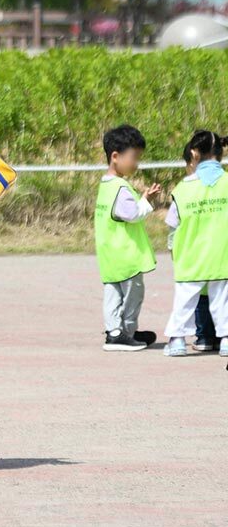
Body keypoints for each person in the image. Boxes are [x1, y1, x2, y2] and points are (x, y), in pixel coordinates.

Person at [163, 130, 228, 357]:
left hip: (190, 258)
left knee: (184, 302)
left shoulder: (183, 188)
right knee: (222, 301)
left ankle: (177, 341)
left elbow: (173, 225)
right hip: (222, 256)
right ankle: (226, 340)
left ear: (194, 153)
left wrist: (172, 249)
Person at [95, 124, 159, 352]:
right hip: (127, 256)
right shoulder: (120, 187)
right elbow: (132, 214)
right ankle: (127, 331)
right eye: (134, 157)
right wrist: (146, 201)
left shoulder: (105, 185)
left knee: (112, 294)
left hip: (109, 254)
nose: (136, 163)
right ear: (115, 156)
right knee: (133, 294)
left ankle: (114, 332)